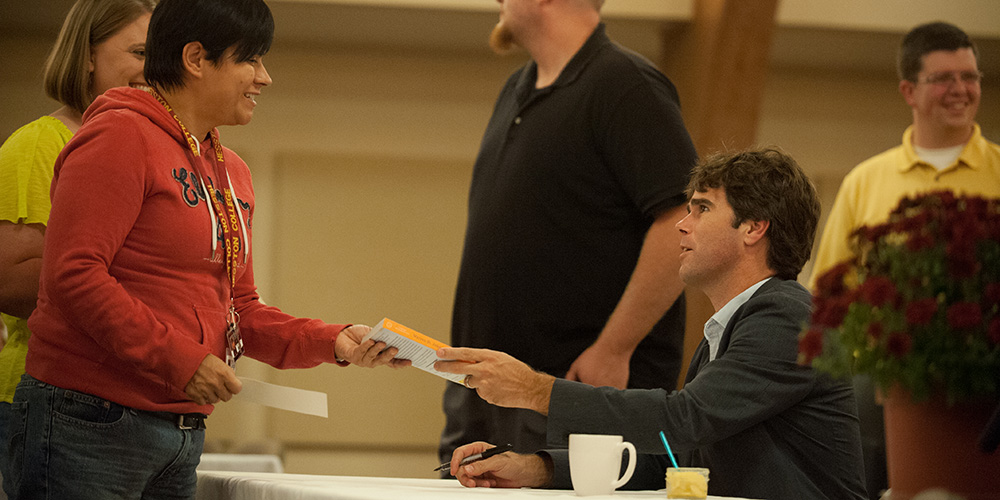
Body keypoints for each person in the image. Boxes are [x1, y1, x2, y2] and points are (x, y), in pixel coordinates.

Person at [5, 0, 408, 498]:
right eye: (251, 60)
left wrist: (335, 340)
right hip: (88, 418)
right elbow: (72, 276)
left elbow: (241, 311)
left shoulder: (232, 170)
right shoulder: (119, 134)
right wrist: (183, 361)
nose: (265, 78)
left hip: (179, 431)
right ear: (196, 59)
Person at [435, 149, 869, 500]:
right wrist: (534, 468)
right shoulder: (734, 324)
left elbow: (684, 420)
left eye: (701, 209)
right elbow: (676, 457)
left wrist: (534, 389)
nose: (682, 225)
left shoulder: (789, 316)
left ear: (754, 228)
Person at [441, 0, 697, 463]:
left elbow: (679, 221)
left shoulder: (625, 85)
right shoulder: (515, 89)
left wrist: (614, 348)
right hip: (485, 390)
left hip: (575, 392)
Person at [808, 22, 1000, 499]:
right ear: (909, 91)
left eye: (970, 76)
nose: (961, 90)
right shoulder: (865, 181)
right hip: (879, 388)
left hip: (986, 384)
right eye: (944, 78)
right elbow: (827, 297)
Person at [0, 0, 155, 484]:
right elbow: (12, 282)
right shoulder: (39, 144)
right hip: (47, 395)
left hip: (127, 399)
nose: (154, 70)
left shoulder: (149, 147)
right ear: (87, 56)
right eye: (139, 51)